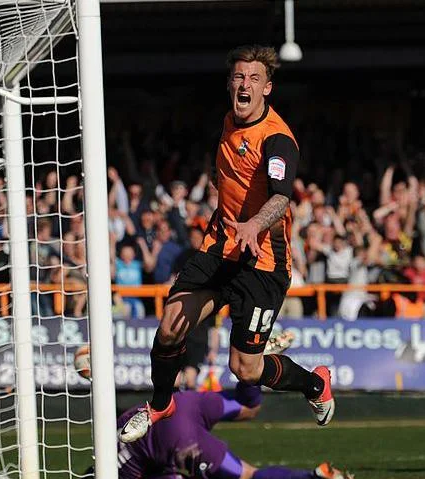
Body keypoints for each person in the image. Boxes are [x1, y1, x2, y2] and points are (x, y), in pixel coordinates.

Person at [120, 45, 332, 443]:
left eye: (253, 78)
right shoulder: (230, 121)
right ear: (229, 83)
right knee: (169, 329)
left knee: (246, 369)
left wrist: (254, 223)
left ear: (267, 88)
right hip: (221, 248)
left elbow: (281, 196)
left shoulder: (278, 140)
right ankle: (161, 403)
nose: (244, 84)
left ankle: (315, 385)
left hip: (262, 260)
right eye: (238, 77)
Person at [84, 390, 353, 479]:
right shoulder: (114, 428)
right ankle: (257, 368)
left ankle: (316, 475)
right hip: (180, 403)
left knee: (249, 475)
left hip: (180, 439)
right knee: (249, 407)